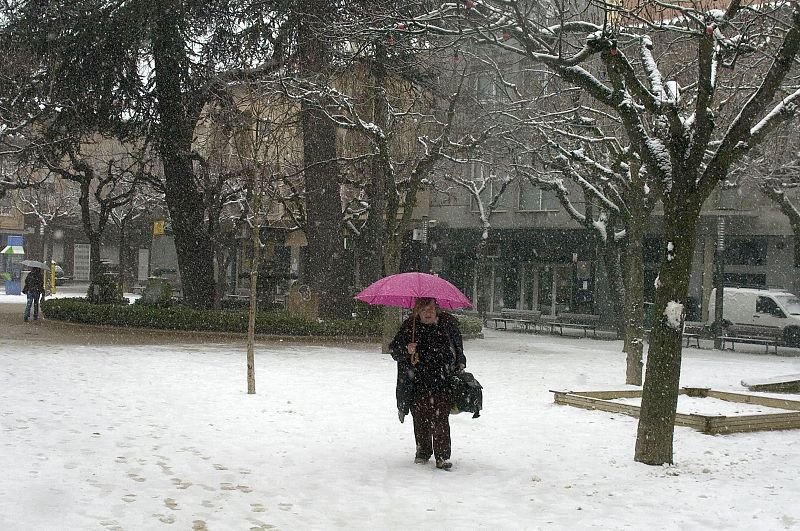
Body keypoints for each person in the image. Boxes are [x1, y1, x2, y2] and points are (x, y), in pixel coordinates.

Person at [390, 297, 466, 470]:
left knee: (440, 419)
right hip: (416, 382)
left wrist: (461, 362)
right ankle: (423, 451)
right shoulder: (410, 326)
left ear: (436, 309)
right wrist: (406, 349)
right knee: (420, 418)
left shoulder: (447, 324)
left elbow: (458, 348)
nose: (428, 313)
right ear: (417, 311)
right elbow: (394, 350)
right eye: (423, 309)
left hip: (442, 380)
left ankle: (442, 456)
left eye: (431, 309)